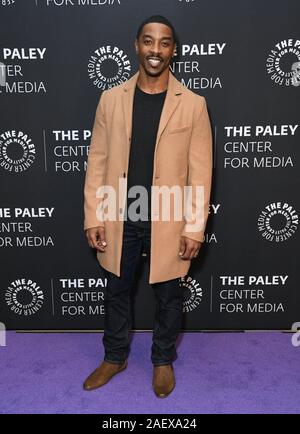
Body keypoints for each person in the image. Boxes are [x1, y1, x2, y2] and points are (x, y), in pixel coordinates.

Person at [83, 15, 213, 398]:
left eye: (165, 42)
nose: (156, 50)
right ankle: (115, 356)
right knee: (116, 291)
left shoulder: (193, 104)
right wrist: (94, 214)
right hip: (121, 215)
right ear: (137, 45)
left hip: (169, 217)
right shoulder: (111, 98)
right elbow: (98, 160)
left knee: (169, 297)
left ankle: (161, 360)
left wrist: (193, 227)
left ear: (173, 49)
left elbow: (201, 174)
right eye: (149, 41)